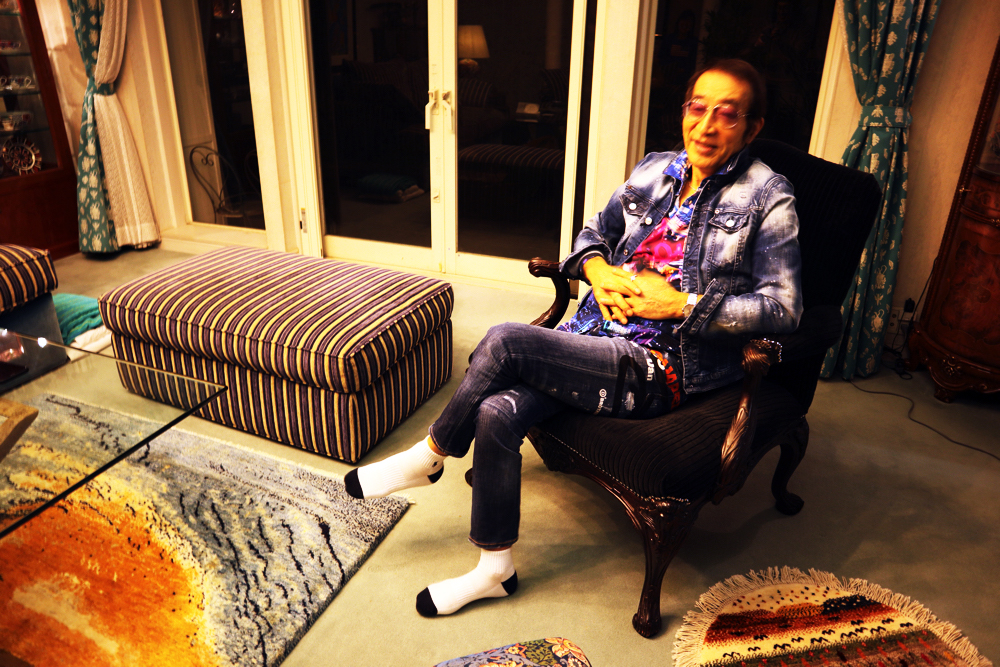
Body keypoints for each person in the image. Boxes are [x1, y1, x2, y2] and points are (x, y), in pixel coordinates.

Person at [345, 58, 802, 618]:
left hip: (661, 364)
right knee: (496, 410)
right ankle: (494, 569)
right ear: (684, 110)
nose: (706, 125)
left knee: (505, 341)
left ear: (752, 128)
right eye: (697, 108)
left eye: (726, 115)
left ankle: (430, 454)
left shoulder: (769, 197)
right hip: (591, 334)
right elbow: (592, 235)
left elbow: (783, 309)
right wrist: (598, 270)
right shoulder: (654, 169)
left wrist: (679, 303)